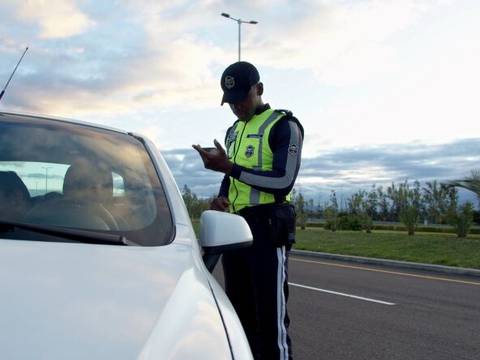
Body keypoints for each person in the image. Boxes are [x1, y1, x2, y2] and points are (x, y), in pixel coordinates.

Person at [193, 61, 303, 360]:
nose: (237, 106)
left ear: (260, 89)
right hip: (235, 229)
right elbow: (233, 178)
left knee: (270, 320)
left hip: (268, 227)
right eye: (230, 101)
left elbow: (283, 180)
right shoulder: (233, 130)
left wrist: (229, 167)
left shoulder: (284, 126)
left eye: (242, 97)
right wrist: (221, 197)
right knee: (239, 315)